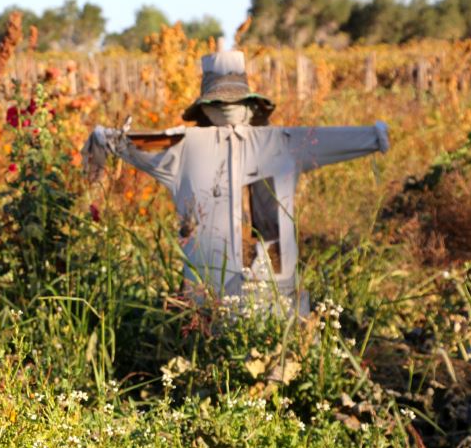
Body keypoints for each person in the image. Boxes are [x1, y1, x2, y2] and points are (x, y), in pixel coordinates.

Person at [82, 50, 389, 314]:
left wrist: (372, 137)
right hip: (208, 291)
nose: (227, 107)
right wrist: (106, 139)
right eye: (219, 101)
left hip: (272, 286)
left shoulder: (279, 141)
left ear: (250, 105)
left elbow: (331, 140)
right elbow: (141, 143)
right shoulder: (184, 145)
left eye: (233, 100)